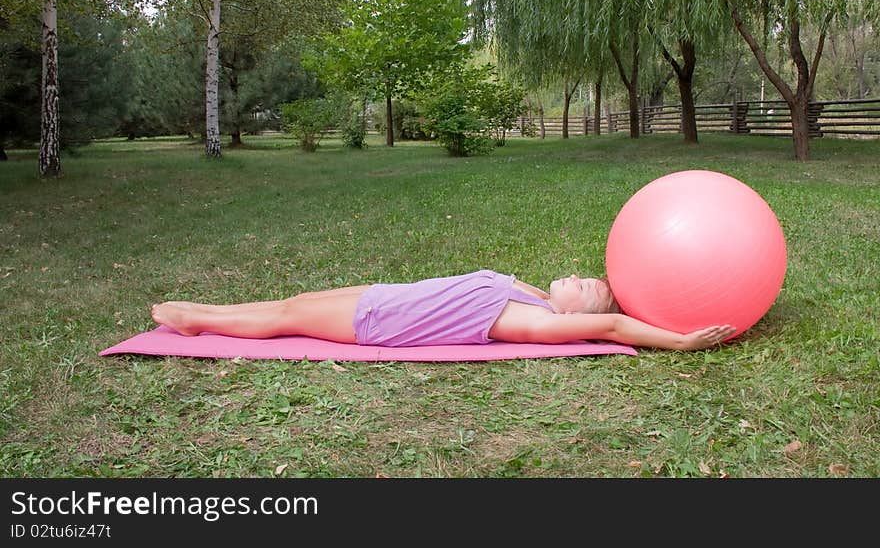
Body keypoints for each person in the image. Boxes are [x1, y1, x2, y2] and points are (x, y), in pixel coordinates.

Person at [151, 269, 736, 351]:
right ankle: (209, 307)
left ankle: (199, 321)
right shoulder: (528, 295)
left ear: (575, 314)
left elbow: (610, 325)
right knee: (295, 302)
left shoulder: (530, 321)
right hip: (387, 296)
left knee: (285, 320)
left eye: (585, 284)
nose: (575, 276)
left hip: (381, 324)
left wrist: (680, 340)